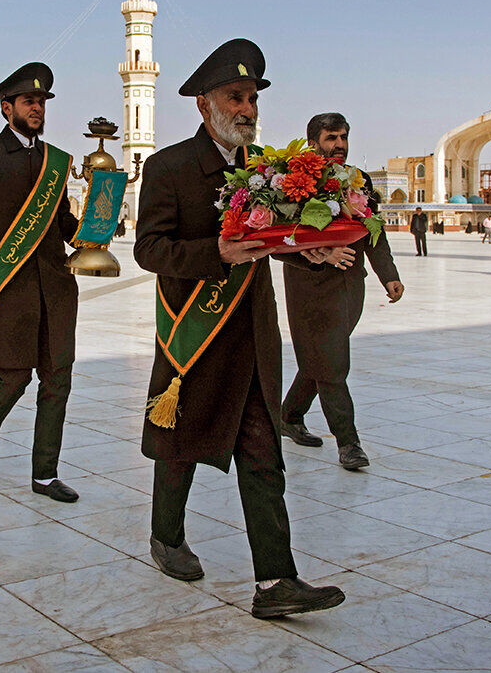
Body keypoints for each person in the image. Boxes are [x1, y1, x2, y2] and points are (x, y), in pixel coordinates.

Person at [134, 39, 348, 619]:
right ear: (205, 103)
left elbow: (272, 241)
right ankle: (166, 536)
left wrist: (313, 254)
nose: (248, 108)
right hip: (193, 334)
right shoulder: (169, 167)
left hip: (251, 332)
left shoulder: (264, 171)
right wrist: (217, 252)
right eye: (237, 96)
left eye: (253, 97)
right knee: (179, 445)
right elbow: (149, 250)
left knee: (261, 451)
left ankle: (275, 582)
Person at [0, 62, 82, 503]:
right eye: (28, 101)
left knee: (57, 380)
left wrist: (92, 230)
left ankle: (45, 474)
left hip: (57, 285)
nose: (37, 108)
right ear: (6, 107)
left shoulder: (56, 161)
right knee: (12, 376)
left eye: (42, 102)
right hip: (8, 286)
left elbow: (63, 219)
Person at [281, 113, 404, 470]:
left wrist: (389, 275)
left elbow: (372, 231)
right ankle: (349, 444)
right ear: (313, 142)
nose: (339, 145)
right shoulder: (294, 179)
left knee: (320, 358)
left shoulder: (359, 181)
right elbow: (285, 240)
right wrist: (323, 254)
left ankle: (288, 416)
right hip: (309, 288)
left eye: (343, 137)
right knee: (332, 363)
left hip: (351, 286)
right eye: (331, 137)